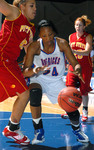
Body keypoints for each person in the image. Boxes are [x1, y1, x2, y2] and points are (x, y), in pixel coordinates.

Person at [23, 19, 89, 145]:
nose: (48, 38)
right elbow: (25, 71)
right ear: (39, 36)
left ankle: (77, 130)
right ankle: (39, 131)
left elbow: (74, 63)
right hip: (39, 78)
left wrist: (77, 69)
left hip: (56, 80)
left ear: (54, 33)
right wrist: (35, 69)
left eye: (50, 34)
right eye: (44, 36)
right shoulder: (34, 47)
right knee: (35, 93)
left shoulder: (62, 43)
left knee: (71, 104)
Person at [0, 0, 36, 145]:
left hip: (12, 63)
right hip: (3, 58)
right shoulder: (15, 14)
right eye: (32, 6)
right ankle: (12, 127)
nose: (35, 9)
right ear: (22, 6)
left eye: (36, 6)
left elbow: (29, 52)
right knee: (24, 93)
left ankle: (12, 127)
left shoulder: (31, 29)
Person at [61, 15, 93, 122]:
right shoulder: (71, 36)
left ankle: (85, 112)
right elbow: (68, 52)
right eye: (76, 25)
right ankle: (69, 110)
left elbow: (87, 51)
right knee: (70, 89)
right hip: (73, 67)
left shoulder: (88, 37)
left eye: (80, 25)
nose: (78, 27)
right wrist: (67, 62)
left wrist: (74, 52)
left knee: (84, 91)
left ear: (84, 27)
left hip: (85, 67)